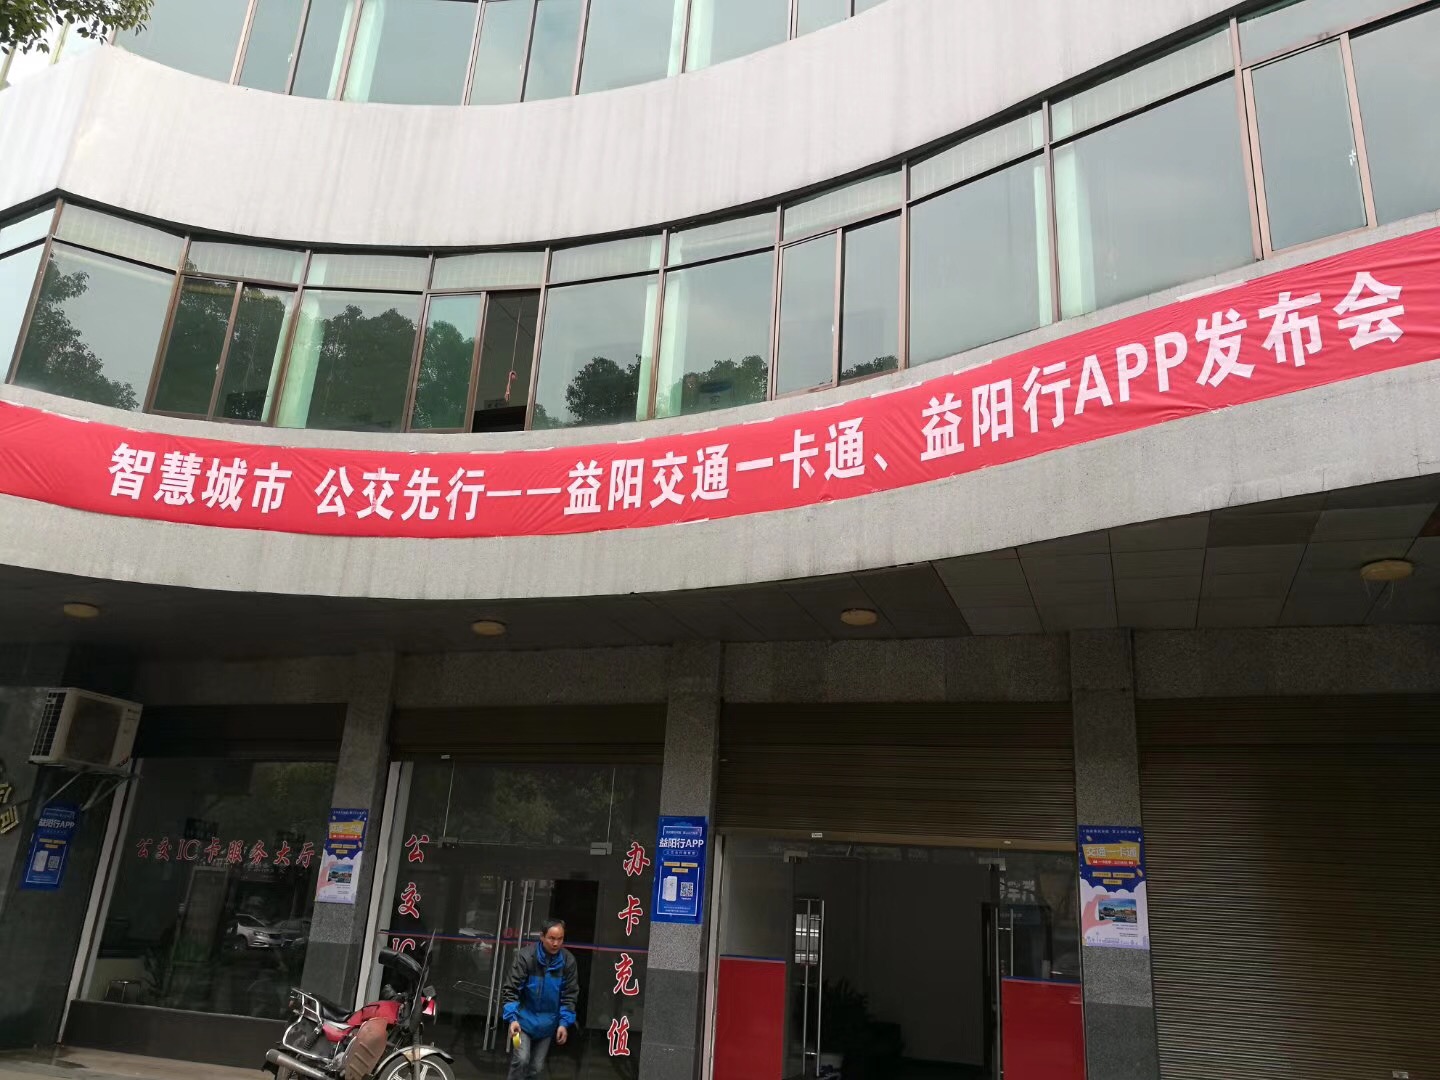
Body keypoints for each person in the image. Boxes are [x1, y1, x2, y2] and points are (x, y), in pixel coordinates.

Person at [502, 917, 579, 1079]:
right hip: (521, 1023)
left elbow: (569, 995)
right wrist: (512, 1019)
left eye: (560, 939)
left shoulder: (568, 961)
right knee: (521, 1060)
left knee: (537, 1068)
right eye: (551, 938)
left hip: (547, 1025)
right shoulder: (525, 957)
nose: (556, 943)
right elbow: (511, 990)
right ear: (542, 936)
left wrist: (564, 1024)